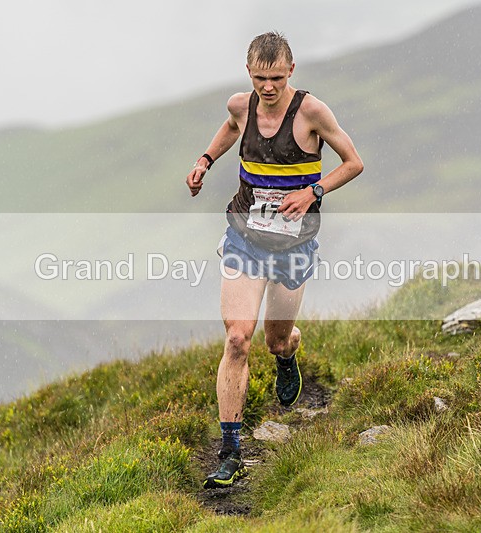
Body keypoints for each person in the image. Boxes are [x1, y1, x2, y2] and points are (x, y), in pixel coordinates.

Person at [186, 31, 363, 488]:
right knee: (237, 339)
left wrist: (313, 191)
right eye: (261, 78)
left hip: (293, 245)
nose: (269, 87)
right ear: (249, 73)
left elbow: (353, 162)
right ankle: (231, 452)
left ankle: (287, 356)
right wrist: (205, 161)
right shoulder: (241, 105)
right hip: (244, 238)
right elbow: (229, 128)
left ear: (292, 71)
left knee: (275, 340)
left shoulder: (311, 112)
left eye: (278, 78)